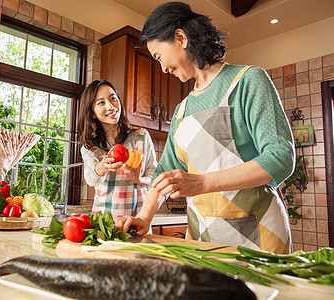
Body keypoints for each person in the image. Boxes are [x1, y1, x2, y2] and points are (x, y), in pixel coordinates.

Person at [116, 2, 295, 254]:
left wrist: (201, 183)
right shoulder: (181, 110)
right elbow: (164, 173)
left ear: (180, 38)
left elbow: (280, 158)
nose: (163, 68)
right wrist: (145, 217)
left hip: (259, 234)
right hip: (202, 238)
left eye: (159, 56)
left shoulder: (248, 80)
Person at [78, 80, 157, 219]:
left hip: (137, 220)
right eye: (101, 103)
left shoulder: (141, 136)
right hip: (104, 222)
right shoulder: (90, 145)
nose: (111, 106)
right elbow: (91, 179)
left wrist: (138, 179)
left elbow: (155, 177)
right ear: (92, 113)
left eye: (113, 98)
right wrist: (101, 167)